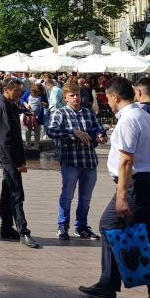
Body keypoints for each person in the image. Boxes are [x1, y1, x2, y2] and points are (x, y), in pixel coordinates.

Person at [79, 76, 150, 298]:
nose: (108, 102)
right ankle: (115, 284)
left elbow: (127, 160)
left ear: (114, 97)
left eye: (108, 98)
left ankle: (115, 285)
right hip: (144, 182)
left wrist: (122, 197)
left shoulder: (128, 120)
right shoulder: (147, 117)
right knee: (140, 235)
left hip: (132, 184)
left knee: (112, 225)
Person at [45, 81, 105, 241]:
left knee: (85, 198)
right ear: (65, 98)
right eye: (72, 96)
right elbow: (51, 131)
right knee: (67, 195)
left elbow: (99, 128)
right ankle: (62, 226)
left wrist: (100, 135)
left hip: (89, 161)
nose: (76, 98)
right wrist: (73, 133)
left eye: (77, 95)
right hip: (71, 161)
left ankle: (82, 226)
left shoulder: (88, 112)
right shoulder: (60, 113)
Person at [0, 77, 42, 248]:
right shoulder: (3, 105)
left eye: (20, 91)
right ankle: (23, 232)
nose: (20, 94)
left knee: (7, 192)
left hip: (7, 155)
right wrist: (18, 162)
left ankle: (6, 227)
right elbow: (6, 139)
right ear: (6, 90)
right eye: (16, 91)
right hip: (8, 156)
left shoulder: (9, 104)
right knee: (16, 194)